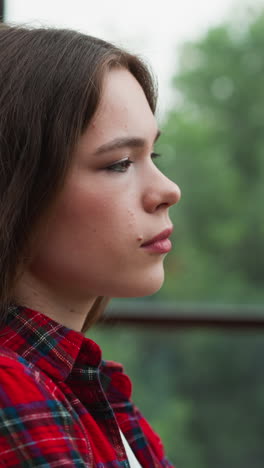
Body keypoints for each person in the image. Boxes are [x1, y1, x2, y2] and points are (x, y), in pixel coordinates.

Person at [0, 24, 181, 467]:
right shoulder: (10, 389)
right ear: (17, 188)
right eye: (119, 163)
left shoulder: (89, 387)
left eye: (151, 157)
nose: (168, 190)